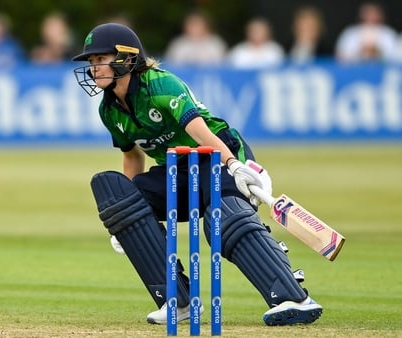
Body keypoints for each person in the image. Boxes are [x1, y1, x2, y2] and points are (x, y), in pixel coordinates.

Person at [72, 23, 322, 326]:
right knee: (121, 195)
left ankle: (292, 297)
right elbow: (131, 156)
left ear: (126, 59)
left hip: (217, 154)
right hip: (177, 169)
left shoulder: (161, 86)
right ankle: (179, 301)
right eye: (91, 62)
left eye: (100, 59)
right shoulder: (109, 110)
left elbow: (201, 133)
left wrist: (234, 165)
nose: (94, 68)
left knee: (224, 219)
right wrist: (124, 223)